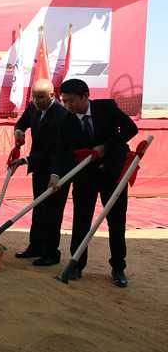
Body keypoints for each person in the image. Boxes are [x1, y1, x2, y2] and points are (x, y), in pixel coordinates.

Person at [59, 79, 138, 287]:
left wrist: (106, 147)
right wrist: (57, 173)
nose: (68, 105)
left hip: (112, 173)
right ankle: (76, 264)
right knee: (81, 220)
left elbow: (131, 129)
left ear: (85, 96)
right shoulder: (66, 120)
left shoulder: (106, 107)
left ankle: (118, 267)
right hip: (85, 176)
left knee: (116, 221)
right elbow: (63, 150)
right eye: (64, 101)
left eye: (71, 101)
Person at [10, 79, 72, 266]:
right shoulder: (33, 107)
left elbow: (58, 151)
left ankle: (51, 253)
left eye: (41, 97)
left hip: (57, 170)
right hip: (39, 168)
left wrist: (54, 174)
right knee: (38, 208)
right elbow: (22, 122)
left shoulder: (62, 115)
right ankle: (35, 246)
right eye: (34, 97)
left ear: (52, 96)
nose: (37, 101)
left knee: (53, 212)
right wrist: (19, 130)